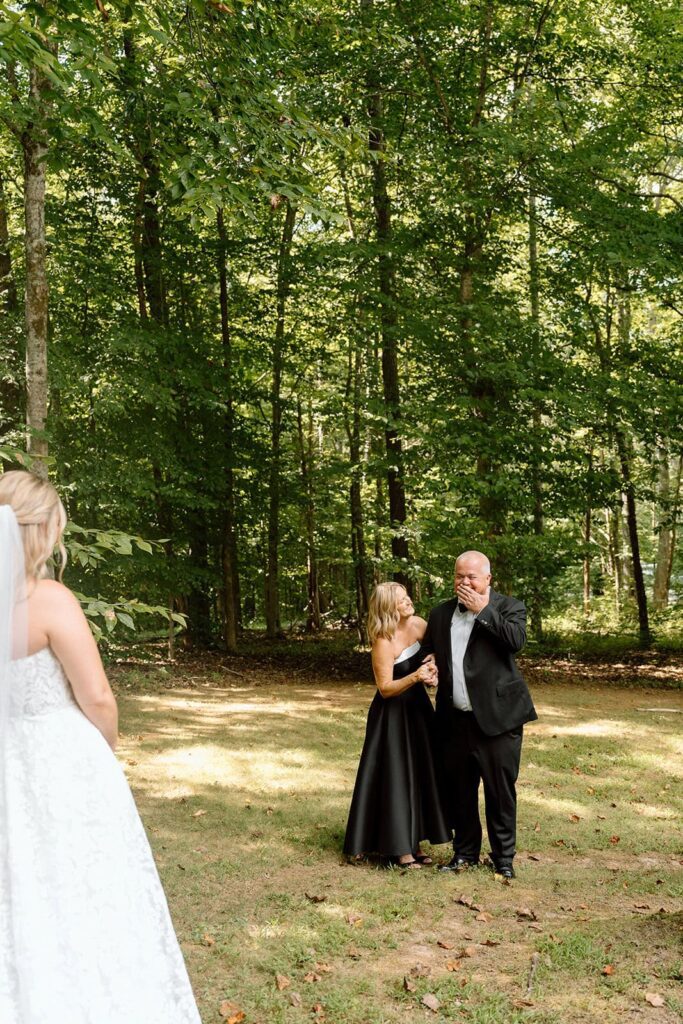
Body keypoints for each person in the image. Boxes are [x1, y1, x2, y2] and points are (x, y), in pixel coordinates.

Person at [0, 470, 201, 1024]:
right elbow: (98, 697)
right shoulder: (48, 600)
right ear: (42, 531)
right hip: (61, 761)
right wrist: (101, 752)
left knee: (18, 889)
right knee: (84, 888)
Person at [422, 551, 537, 880]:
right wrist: (429, 665)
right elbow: (430, 651)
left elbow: (515, 641)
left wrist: (482, 610)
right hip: (454, 719)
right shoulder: (441, 613)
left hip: (499, 719)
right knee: (460, 790)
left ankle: (503, 859)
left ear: (488, 578)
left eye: (472, 576)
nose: (465, 582)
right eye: (459, 576)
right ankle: (465, 853)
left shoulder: (509, 607)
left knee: (500, 793)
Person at [343, 582, 450, 867]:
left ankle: (415, 841)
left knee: (420, 773)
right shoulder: (383, 641)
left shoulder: (420, 625)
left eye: (407, 597)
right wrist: (416, 676)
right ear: (389, 608)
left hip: (419, 712)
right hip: (392, 716)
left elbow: (434, 655)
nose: (409, 602)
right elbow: (385, 688)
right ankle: (400, 848)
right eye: (402, 600)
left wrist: (433, 670)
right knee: (397, 777)